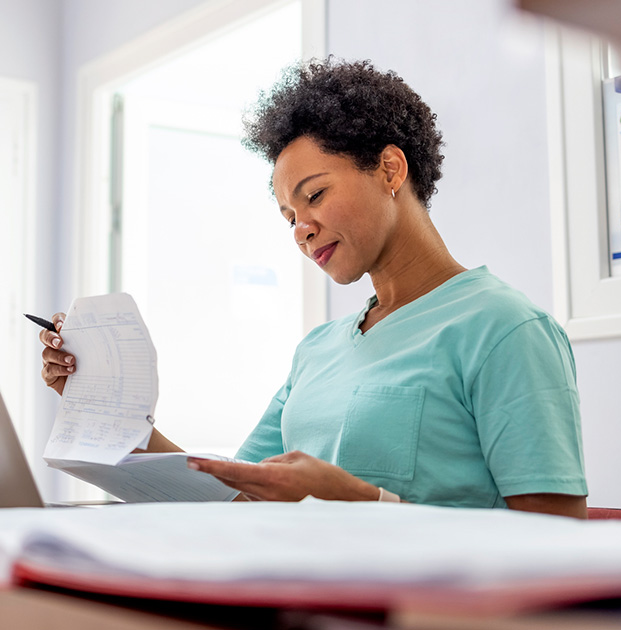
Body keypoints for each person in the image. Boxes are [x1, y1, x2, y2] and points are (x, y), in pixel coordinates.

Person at [40, 58, 588, 518]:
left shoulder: (504, 329)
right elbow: (233, 495)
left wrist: (363, 500)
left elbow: (554, 541)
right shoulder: (317, 352)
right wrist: (111, 412)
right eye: (288, 216)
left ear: (390, 169)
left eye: (316, 195)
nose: (301, 229)